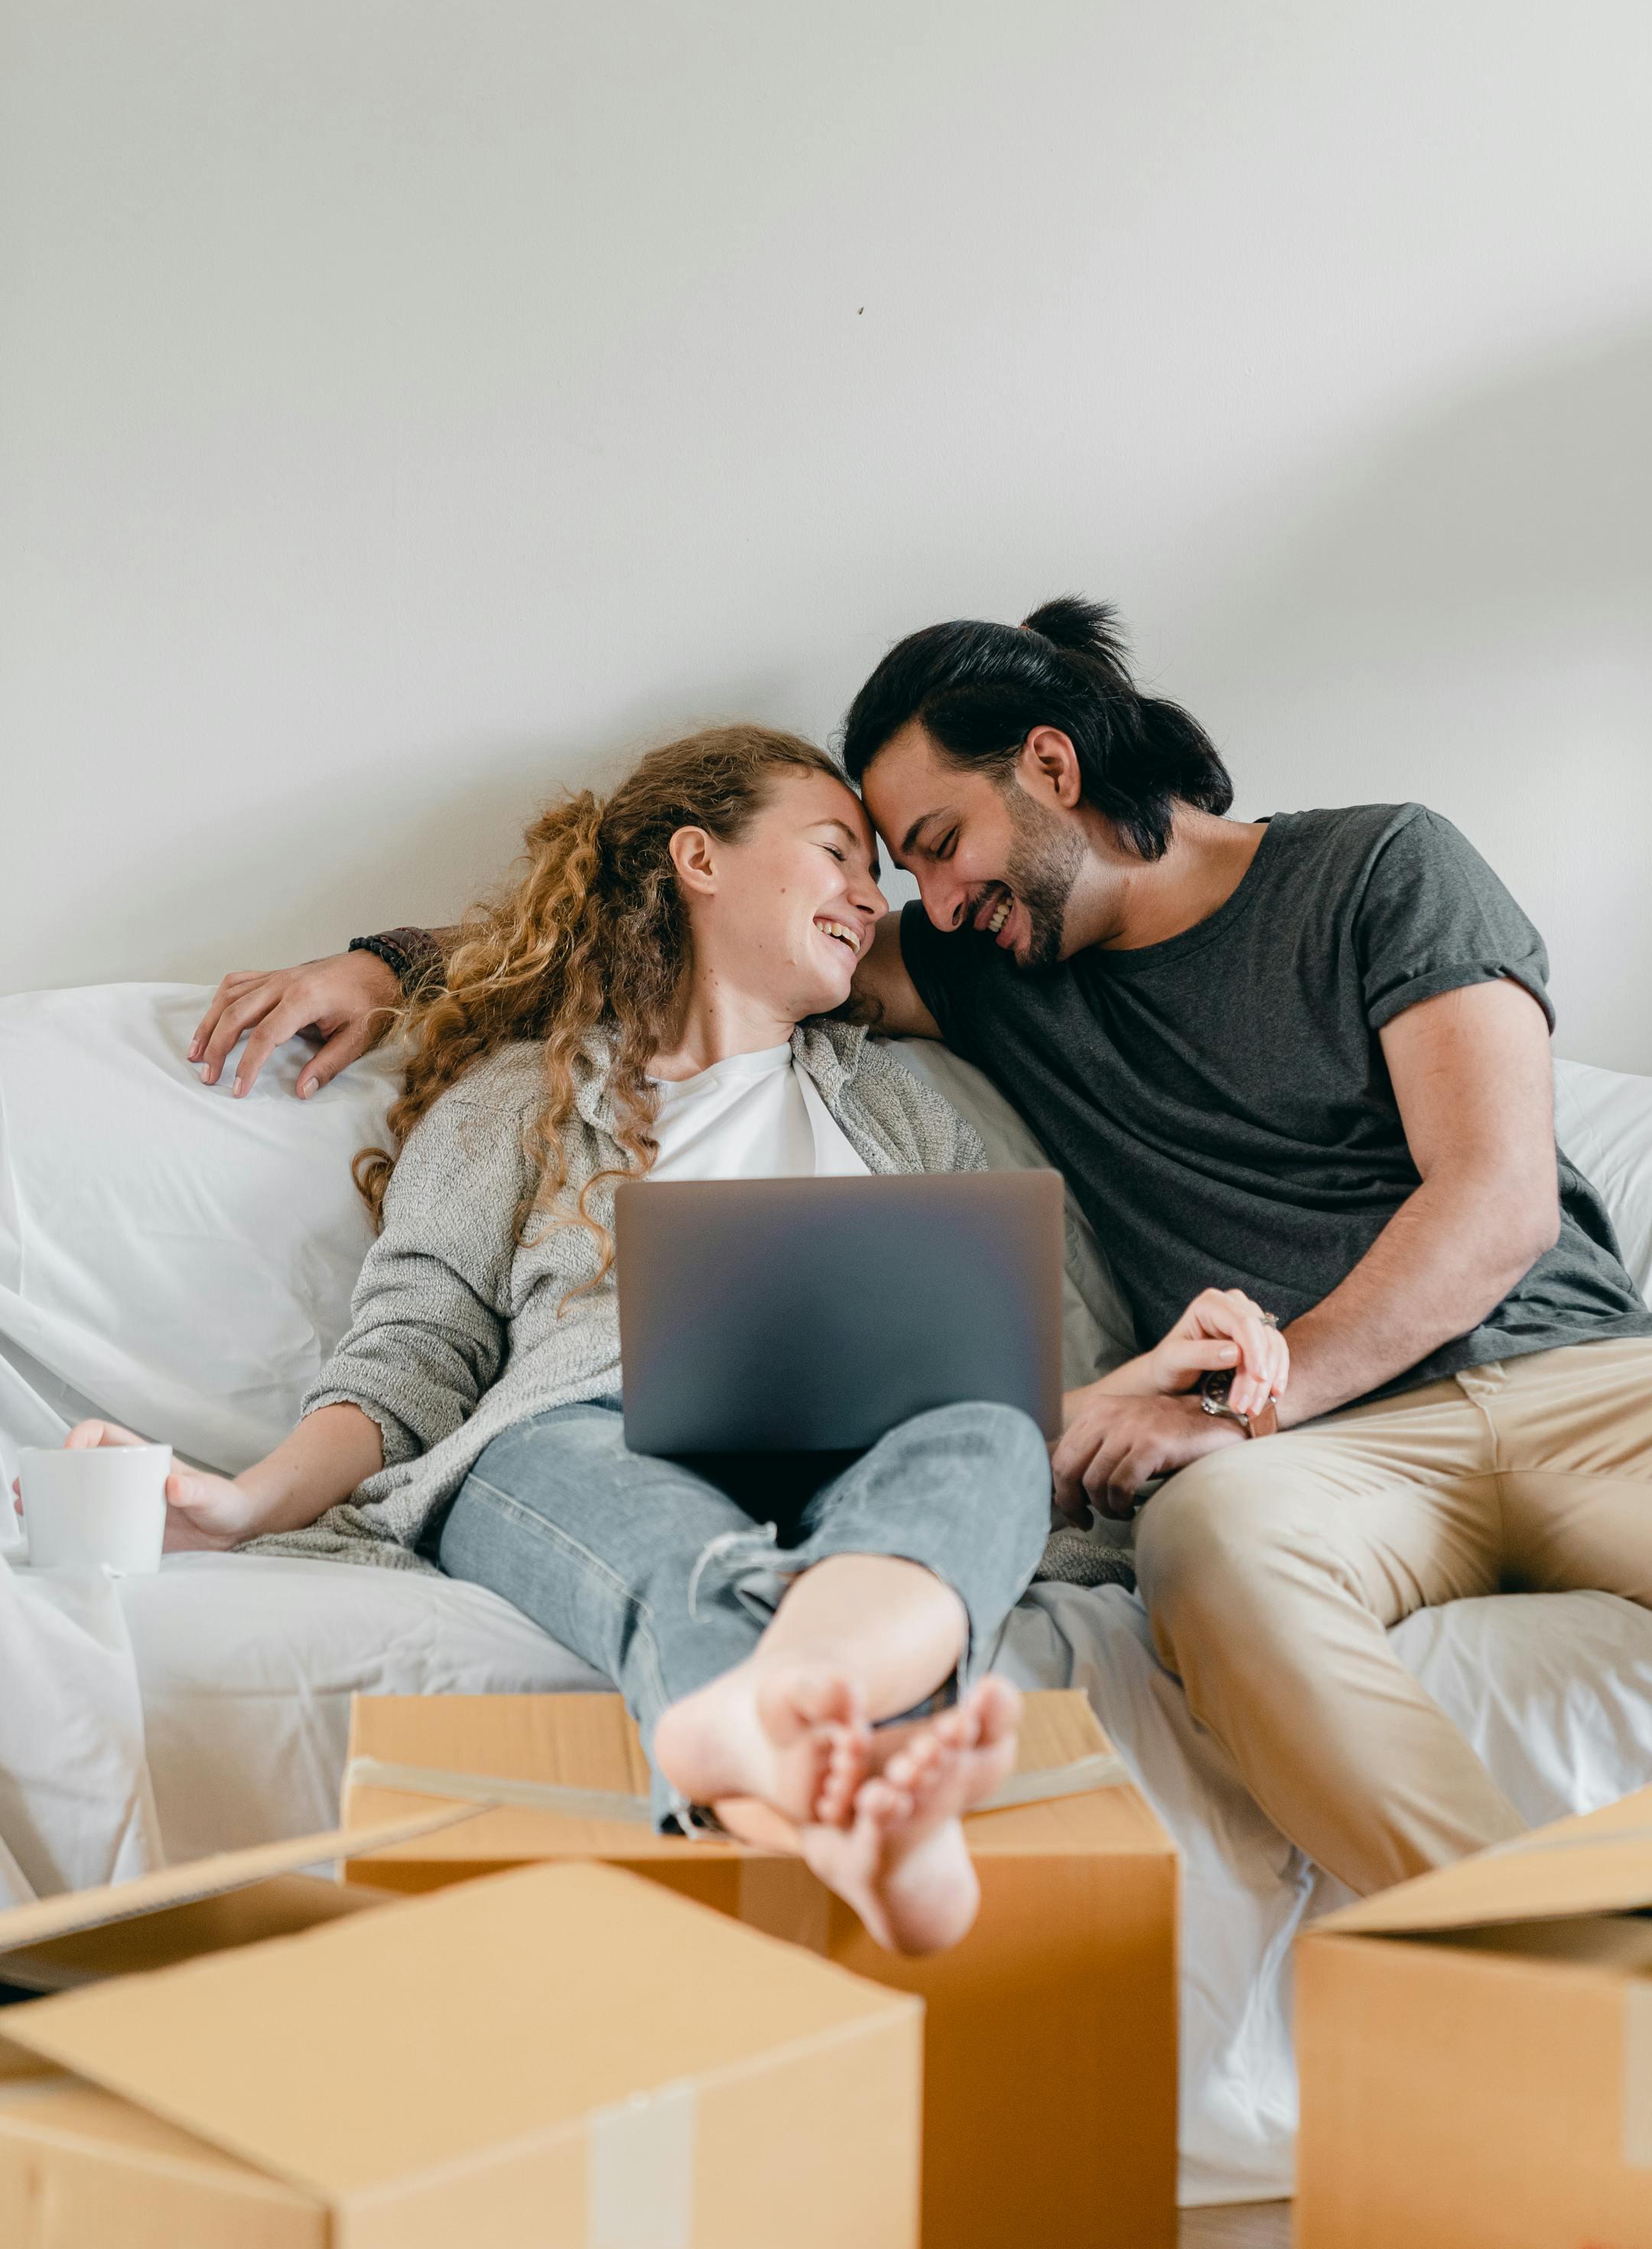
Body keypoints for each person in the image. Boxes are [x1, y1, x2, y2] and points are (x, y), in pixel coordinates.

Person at [191, 609, 1651, 1901]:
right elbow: (609, 950)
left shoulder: (1371, 869)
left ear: (1052, 769)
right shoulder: (956, 973)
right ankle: (1534, 1971)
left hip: (1571, 1381)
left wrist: (1192, 1398)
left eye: (931, 849)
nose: (922, 903)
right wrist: (380, 962)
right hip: (1284, 1463)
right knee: (1197, 1552)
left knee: (1015, 1455)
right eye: (885, 866)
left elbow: (1492, 1202)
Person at [66, 721, 1287, 1951]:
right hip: (583, 1438)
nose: (874, 899)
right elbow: (408, 1363)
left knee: (984, 1436)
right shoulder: (519, 1101)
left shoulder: (908, 1104)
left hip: (866, 1451)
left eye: (878, 874)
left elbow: (995, 1375)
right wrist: (240, 1504)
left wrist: (1140, 1383)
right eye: (837, 855)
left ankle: (766, 1734)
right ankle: (849, 1775)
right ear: (698, 860)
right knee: (634, 1510)